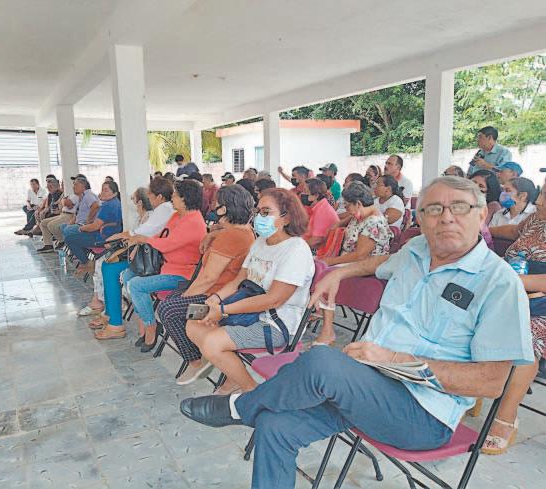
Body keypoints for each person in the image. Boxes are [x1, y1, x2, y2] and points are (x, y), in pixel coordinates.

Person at [180, 176, 533, 489]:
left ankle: (240, 407)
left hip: (422, 414)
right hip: (366, 388)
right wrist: (340, 273)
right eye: (434, 209)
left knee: (321, 361)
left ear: (481, 215)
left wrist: (395, 359)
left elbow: (492, 383)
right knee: (275, 426)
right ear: (421, 218)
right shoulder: (415, 250)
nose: (446, 217)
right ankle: (253, 411)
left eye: (459, 207)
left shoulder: (499, 284)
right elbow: (380, 263)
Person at [186, 188, 314, 395]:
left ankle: (251, 391)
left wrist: (224, 310)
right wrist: (215, 299)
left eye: (266, 212)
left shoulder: (296, 250)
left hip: (274, 323)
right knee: (194, 325)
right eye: (258, 211)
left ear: (287, 217)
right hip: (247, 312)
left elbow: (273, 299)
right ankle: (233, 377)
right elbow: (239, 280)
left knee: (212, 343)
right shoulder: (260, 243)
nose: (258, 217)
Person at [157, 185, 256, 384]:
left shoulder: (231, 236)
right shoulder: (243, 231)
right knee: (173, 298)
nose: (212, 207)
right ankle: (200, 350)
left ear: (225, 209)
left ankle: (195, 360)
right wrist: (212, 234)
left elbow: (208, 278)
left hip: (217, 298)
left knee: (168, 309)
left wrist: (185, 298)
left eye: (216, 204)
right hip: (220, 292)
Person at [103, 180, 207, 352]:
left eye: (175, 195)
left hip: (182, 275)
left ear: (185, 199)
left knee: (136, 285)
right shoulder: (176, 216)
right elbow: (160, 236)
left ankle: (151, 325)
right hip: (166, 266)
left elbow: (167, 244)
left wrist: (144, 239)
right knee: (128, 275)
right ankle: (146, 322)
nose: (172, 198)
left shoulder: (194, 221)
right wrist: (141, 241)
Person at [484, 183, 546, 454]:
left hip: (539, 306)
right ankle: (462, 391)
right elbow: (512, 232)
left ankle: (506, 417)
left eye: (545, 196)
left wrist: (513, 280)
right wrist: (483, 229)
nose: (539, 201)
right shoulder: (536, 219)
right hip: (510, 292)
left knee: (527, 338)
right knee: (460, 316)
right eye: (541, 193)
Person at [91, 177, 176, 334]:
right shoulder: (162, 209)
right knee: (107, 265)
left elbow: (141, 233)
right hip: (150, 254)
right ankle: (110, 313)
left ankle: (115, 323)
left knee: (111, 269)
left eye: (150, 194)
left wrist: (118, 237)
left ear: (159, 196)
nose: (148, 198)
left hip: (155, 259)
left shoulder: (165, 209)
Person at [314, 181, 392, 345]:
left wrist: (331, 261)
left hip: (366, 266)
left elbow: (359, 256)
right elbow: (349, 221)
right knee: (317, 265)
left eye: (347, 205)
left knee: (326, 273)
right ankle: (317, 309)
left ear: (358, 203)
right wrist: (338, 224)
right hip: (348, 259)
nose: (346, 208)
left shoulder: (374, 222)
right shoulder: (360, 214)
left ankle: (327, 330)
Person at [79, 187, 153, 321]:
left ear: (140, 202)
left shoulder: (149, 218)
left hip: (141, 258)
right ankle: (103, 304)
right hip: (133, 253)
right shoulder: (140, 217)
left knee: (107, 266)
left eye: (133, 199)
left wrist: (114, 240)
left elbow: (134, 237)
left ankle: (112, 310)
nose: (131, 201)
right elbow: (131, 234)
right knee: (102, 262)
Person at [63, 181, 122, 272]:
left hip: (102, 238)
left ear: (114, 193)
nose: (102, 192)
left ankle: (87, 263)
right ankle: (88, 261)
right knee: (70, 231)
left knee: (69, 238)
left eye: (106, 190)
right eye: (102, 190)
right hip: (108, 235)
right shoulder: (115, 202)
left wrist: (82, 228)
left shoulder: (108, 205)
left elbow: (95, 226)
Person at [37, 181, 80, 252]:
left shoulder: (75, 195)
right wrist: (64, 201)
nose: (62, 186)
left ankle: (63, 241)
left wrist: (63, 201)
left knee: (51, 225)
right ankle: (48, 245)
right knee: (43, 223)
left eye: (63, 184)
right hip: (63, 213)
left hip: (70, 215)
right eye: (62, 184)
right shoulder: (66, 194)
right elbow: (61, 204)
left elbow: (67, 204)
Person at [301, 178, 339, 250]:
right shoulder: (318, 206)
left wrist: (298, 248)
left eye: (305, 192)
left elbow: (316, 240)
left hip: (318, 250)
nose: (302, 194)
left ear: (316, 195)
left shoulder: (323, 210)